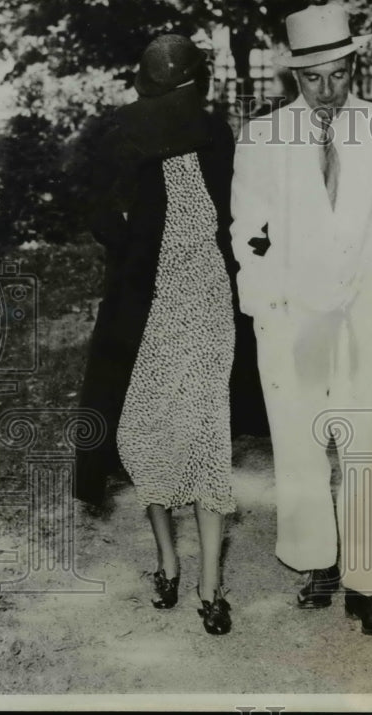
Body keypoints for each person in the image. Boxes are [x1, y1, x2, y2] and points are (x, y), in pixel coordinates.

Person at [230, 3, 372, 636]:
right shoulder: (262, 137)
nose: (326, 92)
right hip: (290, 316)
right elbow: (248, 232)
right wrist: (266, 306)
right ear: (294, 76)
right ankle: (316, 560)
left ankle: (363, 583)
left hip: (365, 312)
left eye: (338, 76)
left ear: (354, 66)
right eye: (312, 79)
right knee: (299, 443)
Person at [74, 34, 238, 635]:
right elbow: (96, 214)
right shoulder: (122, 139)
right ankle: (168, 561)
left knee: (204, 435)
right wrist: (130, 246)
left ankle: (211, 585)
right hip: (148, 311)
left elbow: (239, 215)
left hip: (207, 305)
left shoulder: (216, 135)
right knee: (146, 433)